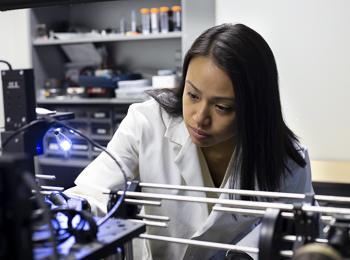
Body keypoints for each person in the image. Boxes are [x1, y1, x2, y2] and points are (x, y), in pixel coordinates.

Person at [66, 23, 314, 260]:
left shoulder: (287, 159)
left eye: (223, 107)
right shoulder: (147, 122)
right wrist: (69, 211)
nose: (199, 117)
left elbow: (293, 233)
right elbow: (94, 193)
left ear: (255, 108)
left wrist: (246, 255)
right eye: (192, 94)